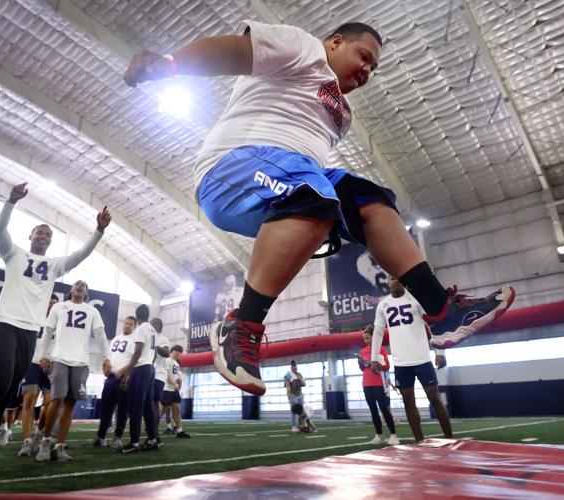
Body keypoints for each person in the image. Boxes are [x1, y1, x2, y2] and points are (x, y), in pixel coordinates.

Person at [123, 20, 516, 396]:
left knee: (373, 202)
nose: (367, 71)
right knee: (315, 195)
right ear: (335, 42)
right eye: (364, 57)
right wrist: (171, 64)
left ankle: (441, 311)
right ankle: (241, 324)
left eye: (373, 69)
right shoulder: (304, 48)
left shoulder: (343, 113)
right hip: (231, 168)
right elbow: (236, 51)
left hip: (292, 178)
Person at [0, 182, 110, 482]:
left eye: (48, 235)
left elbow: (80, 255)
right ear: (30, 236)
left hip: (29, 334)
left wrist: (98, 231)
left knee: (5, 394)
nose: (44, 236)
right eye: (40, 232)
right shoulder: (13, 253)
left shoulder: (54, 265)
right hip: (4, 325)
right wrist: (10, 202)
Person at [371, 276, 453, 443]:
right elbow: (378, 332)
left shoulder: (416, 299)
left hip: (422, 359)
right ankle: (419, 441)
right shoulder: (383, 305)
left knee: (434, 398)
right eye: (392, 279)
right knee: (408, 401)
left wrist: (440, 351)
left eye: (398, 278)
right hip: (401, 362)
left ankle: (450, 439)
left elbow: (433, 324)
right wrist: (374, 358)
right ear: (388, 282)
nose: (395, 281)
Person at [36, 280, 108, 462]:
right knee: (57, 399)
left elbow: (101, 336)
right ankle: (45, 442)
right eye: (77, 283)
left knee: (70, 403)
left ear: (87, 292)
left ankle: (59, 446)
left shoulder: (92, 311)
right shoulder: (58, 307)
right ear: (71, 289)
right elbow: (47, 333)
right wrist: (42, 356)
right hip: (59, 358)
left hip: (81, 362)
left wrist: (106, 358)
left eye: (84, 285)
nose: (80, 285)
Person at [18, 294, 59, 457]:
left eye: (54, 303)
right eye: (49, 302)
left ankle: (39, 431)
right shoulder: (34, 318)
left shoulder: (61, 322)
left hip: (52, 364)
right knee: (29, 399)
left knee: (49, 402)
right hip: (33, 363)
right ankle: (27, 441)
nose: (51, 305)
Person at [118, 304, 158, 454]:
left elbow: (138, 351)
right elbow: (153, 352)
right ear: (147, 315)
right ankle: (152, 439)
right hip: (150, 368)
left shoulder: (140, 329)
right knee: (148, 407)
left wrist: (127, 373)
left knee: (135, 406)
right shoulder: (152, 330)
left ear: (136, 316)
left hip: (141, 368)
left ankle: (134, 443)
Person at [92, 316, 136, 450]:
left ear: (134, 327)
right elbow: (108, 356)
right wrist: (105, 368)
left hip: (124, 378)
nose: (127, 326)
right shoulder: (116, 339)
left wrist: (122, 371)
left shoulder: (134, 340)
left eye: (130, 324)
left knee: (122, 410)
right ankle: (101, 437)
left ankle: (117, 438)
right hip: (111, 378)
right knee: (106, 408)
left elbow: (134, 360)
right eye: (126, 323)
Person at [359, 325, 398, 445]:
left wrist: (374, 363)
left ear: (373, 337)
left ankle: (393, 435)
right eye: (364, 339)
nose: (366, 341)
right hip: (366, 383)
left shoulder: (381, 349)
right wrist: (361, 363)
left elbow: (387, 366)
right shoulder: (363, 351)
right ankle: (379, 435)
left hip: (379, 383)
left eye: (367, 338)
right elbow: (362, 369)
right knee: (373, 410)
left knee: (384, 409)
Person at [149, 317, 170, 444]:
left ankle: (155, 434)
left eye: (153, 323)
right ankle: (151, 431)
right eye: (150, 322)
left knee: (154, 402)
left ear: (159, 325)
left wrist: (155, 347)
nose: (151, 324)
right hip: (148, 372)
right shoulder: (149, 337)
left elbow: (167, 353)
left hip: (158, 374)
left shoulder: (163, 338)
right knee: (148, 403)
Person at [161, 345, 189, 438]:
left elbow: (177, 377)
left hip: (174, 390)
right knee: (161, 412)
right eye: (176, 353)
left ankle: (179, 430)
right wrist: (174, 385)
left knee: (177, 410)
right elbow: (166, 375)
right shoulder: (167, 360)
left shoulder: (176, 363)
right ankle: (152, 430)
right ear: (172, 351)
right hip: (166, 390)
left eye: (179, 353)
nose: (178, 355)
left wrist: (178, 384)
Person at [284, 360, 306, 431]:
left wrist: (300, 381)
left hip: (300, 394)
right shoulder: (288, 375)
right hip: (292, 395)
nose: (295, 368)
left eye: (296, 367)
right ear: (291, 367)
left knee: (301, 410)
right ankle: (293, 427)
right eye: (293, 367)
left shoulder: (299, 374)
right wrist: (288, 393)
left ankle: (303, 425)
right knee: (294, 410)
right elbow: (287, 385)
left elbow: (304, 384)